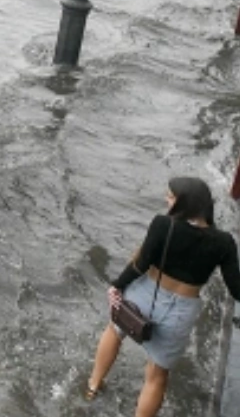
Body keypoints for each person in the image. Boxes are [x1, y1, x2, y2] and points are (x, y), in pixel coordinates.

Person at [85, 177, 240, 415]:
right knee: (157, 376)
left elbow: (141, 264)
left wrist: (116, 286)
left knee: (114, 332)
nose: (166, 199)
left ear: (184, 202)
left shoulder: (163, 224)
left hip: (145, 293)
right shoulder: (224, 242)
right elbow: (236, 288)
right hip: (180, 313)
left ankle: (93, 386)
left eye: (170, 196)